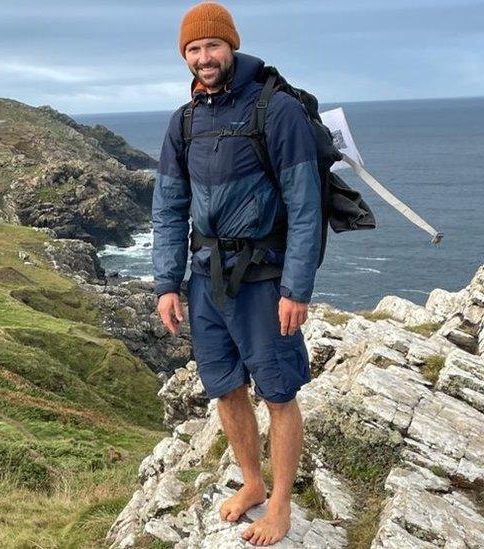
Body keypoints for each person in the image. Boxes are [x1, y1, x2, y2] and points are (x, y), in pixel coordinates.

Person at [152, 2, 321, 546]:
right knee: (225, 388)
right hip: (205, 280)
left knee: (277, 392)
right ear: (186, 57)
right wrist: (166, 282)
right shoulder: (184, 121)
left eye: (212, 46)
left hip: (263, 280)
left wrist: (296, 288)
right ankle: (251, 482)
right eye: (193, 50)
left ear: (231, 47)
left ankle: (280, 505)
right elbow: (168, 206)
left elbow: (304, 204)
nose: (204, 58)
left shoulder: (276, 110)